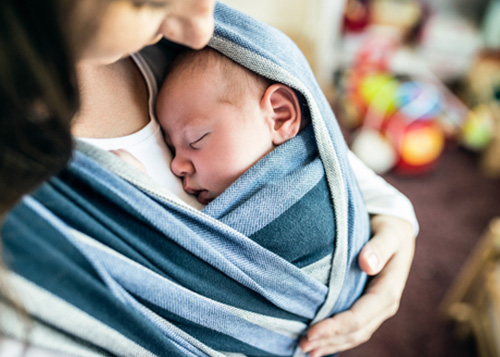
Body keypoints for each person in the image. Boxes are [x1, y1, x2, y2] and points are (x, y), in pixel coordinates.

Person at [0, 1, 417, 356]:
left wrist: (393, 213)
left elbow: (314, 146)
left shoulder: (206, 51)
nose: (204, 25)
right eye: (152, 3)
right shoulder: (23, 219)